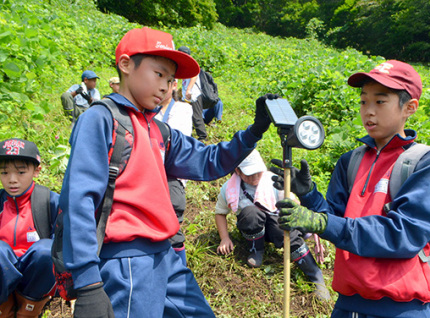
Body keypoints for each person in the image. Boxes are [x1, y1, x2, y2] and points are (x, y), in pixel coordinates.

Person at [58, 26, 275, 318]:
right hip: (127, 261)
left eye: (171, 80)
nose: (166, 86)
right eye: (159, 74)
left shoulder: (158, 130)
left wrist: (253, 133)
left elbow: (207, 160)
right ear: (125, 64)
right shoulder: (101, 120)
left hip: (168, 256)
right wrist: (88, 284)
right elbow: (78, 201)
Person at [272, 60, 430, 317]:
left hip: (400, 308)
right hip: (348, 303)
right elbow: (336, 221)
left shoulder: (425, 163)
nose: (369, 111)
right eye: (363, 101)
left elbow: (403, 235)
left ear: (409, 107)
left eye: (380, 102)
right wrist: (309, 195)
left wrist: (320, 222)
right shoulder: (351, 161)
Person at [215, 149, 331, 300]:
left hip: (277, 224)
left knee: (282, 226)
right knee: (250, 212)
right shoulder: (229, 188)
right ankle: (256, 250)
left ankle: (315, 276)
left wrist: (310, 231)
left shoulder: (273, 181)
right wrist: (224, 238)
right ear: (237, 171)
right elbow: (220, 213)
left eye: (258, 172)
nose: (255, 177)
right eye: (249, 174)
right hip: (253, 227)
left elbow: (292, 206)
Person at [0, 138, 59, 318]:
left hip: (36, 277)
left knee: (47, 249)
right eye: (4, 172)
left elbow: (64, 242)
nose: (12, 180)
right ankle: (5, 309)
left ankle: (30, 309)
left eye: (21, 172)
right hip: (4, 275)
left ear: (36, 170)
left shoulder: (49, 201)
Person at [155, 79, 193, 265]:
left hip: (171, 176)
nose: (161, 88)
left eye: (167, 81)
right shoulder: (144, 110)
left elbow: (176, 143)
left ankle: (178, 273)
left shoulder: (181, 109)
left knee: (171, 227)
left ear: (174, 84)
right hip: (148, 176)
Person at [177, 46, 208, 141]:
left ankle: (203, 137)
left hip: (193, 94)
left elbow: (194, 76)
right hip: (186, 93)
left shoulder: (192, 64)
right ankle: (187, 134)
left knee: (196, 115)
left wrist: (188, 90)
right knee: (186, 114)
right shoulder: (185, 64)